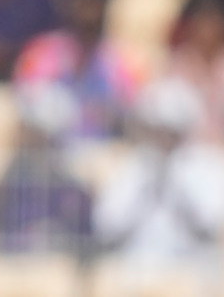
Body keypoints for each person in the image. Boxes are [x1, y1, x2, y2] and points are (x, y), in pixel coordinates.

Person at [95, 78, 224, 283]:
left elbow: (209, 227)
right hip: (137, 272)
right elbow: (108, 227)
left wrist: (177, 191)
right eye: (159, 129)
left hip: (190, 272)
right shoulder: (135, 165)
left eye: (171, 131)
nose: (164, 137)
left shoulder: (204, 165)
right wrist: (146, 193)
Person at [13, 0, 142, 141]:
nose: (85, 36)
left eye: (93, 27)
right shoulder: (42, 52)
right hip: (50, 146)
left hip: (102, 147)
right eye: (81, 26)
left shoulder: (118, 61)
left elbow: (130, 110)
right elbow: (25, 102)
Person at [0, 85, 96, 262]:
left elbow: (84, 236)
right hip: (12, 260)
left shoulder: (73, 185)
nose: (25, 134)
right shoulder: (13, 173)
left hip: (55, 264)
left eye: (33, 130)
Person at [163, 0, 224, 142]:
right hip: (187, 145)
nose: (208, 31)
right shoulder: (180, 62)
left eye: (214, 23)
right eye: (202, 22)